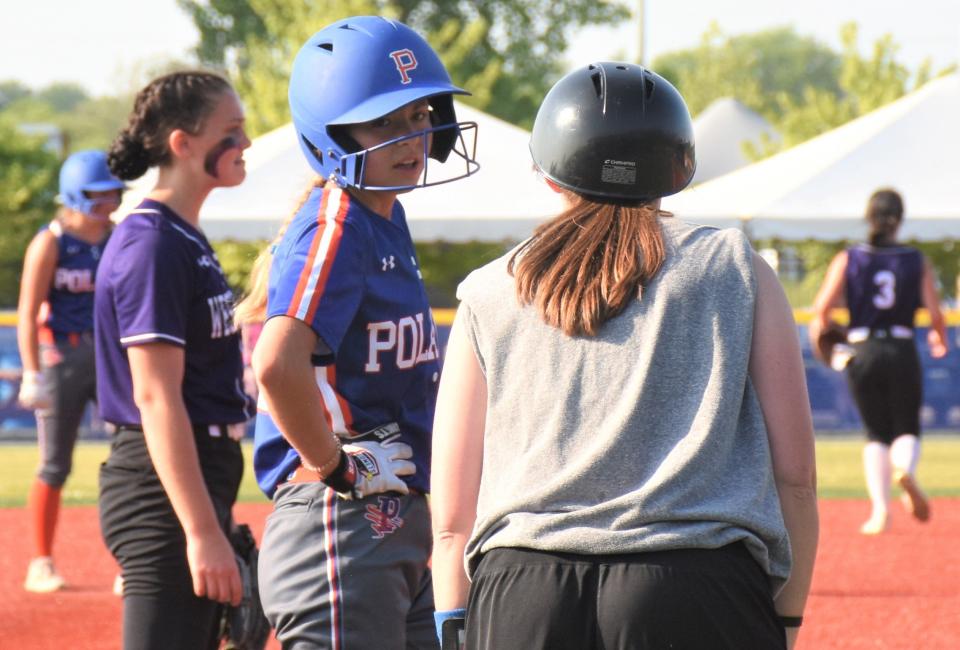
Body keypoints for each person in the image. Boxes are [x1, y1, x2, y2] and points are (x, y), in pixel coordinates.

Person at [430, 63, 819, 650]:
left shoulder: (487, 289)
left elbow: (452, 518)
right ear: (677, 165)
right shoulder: (734, 265)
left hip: (522, 588)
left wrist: (451, 623)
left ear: (547, 168)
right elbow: (797, 478)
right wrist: (786, 620)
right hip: (693, 581)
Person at [236, 15, 478, 650]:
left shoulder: (383, 217)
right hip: (338, 523)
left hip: (387, 523)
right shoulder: (337, 222)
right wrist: (335, 464)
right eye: (386, 122)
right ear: (331, 131)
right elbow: (275, 365)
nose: (413, 137)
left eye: (420, 114)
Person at [95, 70, 255, 649]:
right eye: (231, 131)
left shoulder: (182, 234)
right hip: (160, 486)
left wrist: (215, 516)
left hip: (193, 472)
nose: (246, 144)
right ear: (182, 144)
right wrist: (200, 530)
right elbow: (156, 396)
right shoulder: (153, 242)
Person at [811, 188, 947, 535]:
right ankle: (904, 469)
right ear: (899, 220)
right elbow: (935, 312)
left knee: (875, 433)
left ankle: (879, 512)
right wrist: (938, 338)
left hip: (862, 350)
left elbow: (822, 310)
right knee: (906, 427)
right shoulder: (915, 259)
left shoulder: (849, 257)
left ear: (868, 218)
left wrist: (828, 337)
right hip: (901, 347)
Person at [17, 150, 123, 593]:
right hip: (63, 356)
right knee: (54, 464)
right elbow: (27, 311)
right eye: (99, 193)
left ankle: (131, 562)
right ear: (76, 194)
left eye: (113, 192)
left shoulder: (117, 236)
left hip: (110, 358)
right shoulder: (52, 241)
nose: (109, 201)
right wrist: (32, 371)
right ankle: (40, 561)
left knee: (131, 458)